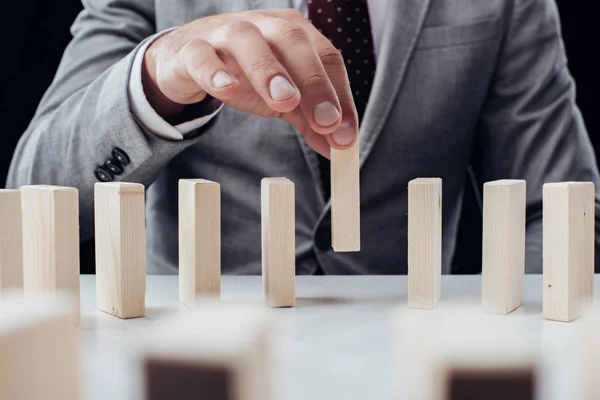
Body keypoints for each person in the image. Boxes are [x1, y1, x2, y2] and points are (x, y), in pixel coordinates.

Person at [7, 0, 600, 275]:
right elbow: (33, 198)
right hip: (197, 352)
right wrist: (155, 82)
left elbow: (553, 207)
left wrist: (514, 341)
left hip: (406, 347)